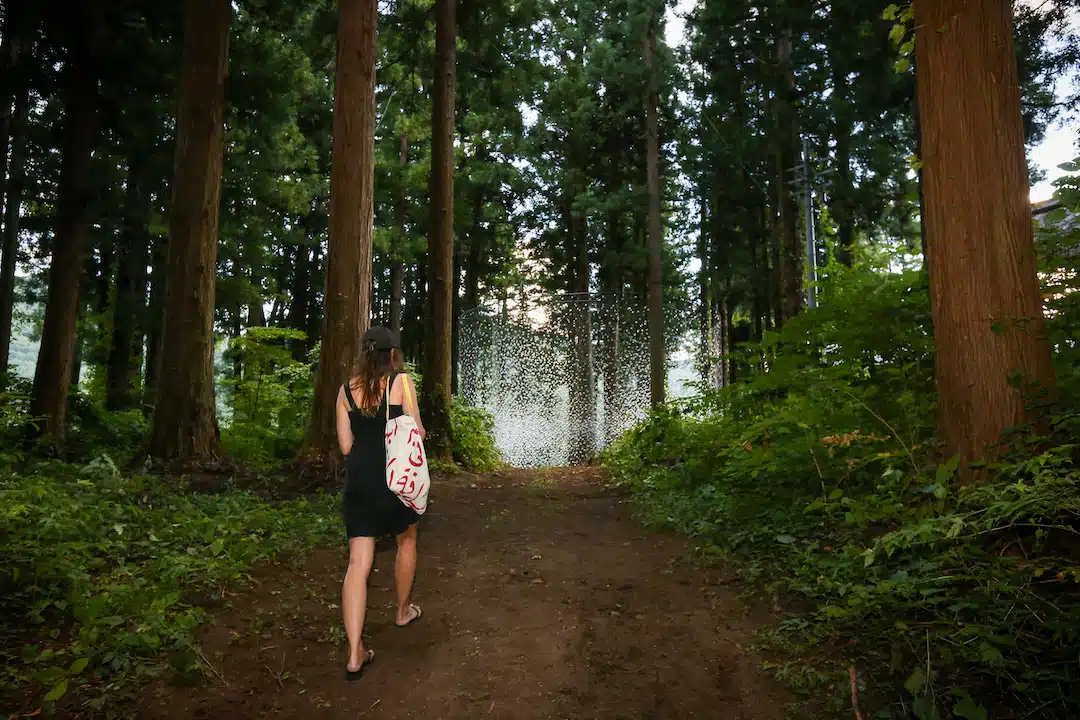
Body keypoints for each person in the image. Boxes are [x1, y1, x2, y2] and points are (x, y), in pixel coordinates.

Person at [335, 325, 426, 680]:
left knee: (358, 562)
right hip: (395, 478)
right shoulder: (400, 383)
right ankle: (402, 611)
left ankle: (355, 652)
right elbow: (415, 429)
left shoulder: (344, 391)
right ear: (392, 355)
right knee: (407, 540)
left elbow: (345, 446)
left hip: (359, 479)